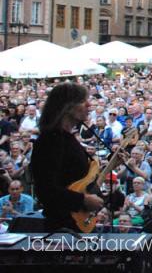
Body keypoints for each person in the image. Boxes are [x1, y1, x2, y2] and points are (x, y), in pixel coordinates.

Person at [31, 83, 107, 231]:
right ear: (67, 106)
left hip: (75, 224)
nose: (89, 104)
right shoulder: (51, 140)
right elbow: (46, 190)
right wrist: (83, 200)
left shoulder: (66, 138)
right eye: (83, 101)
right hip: (63, 227)